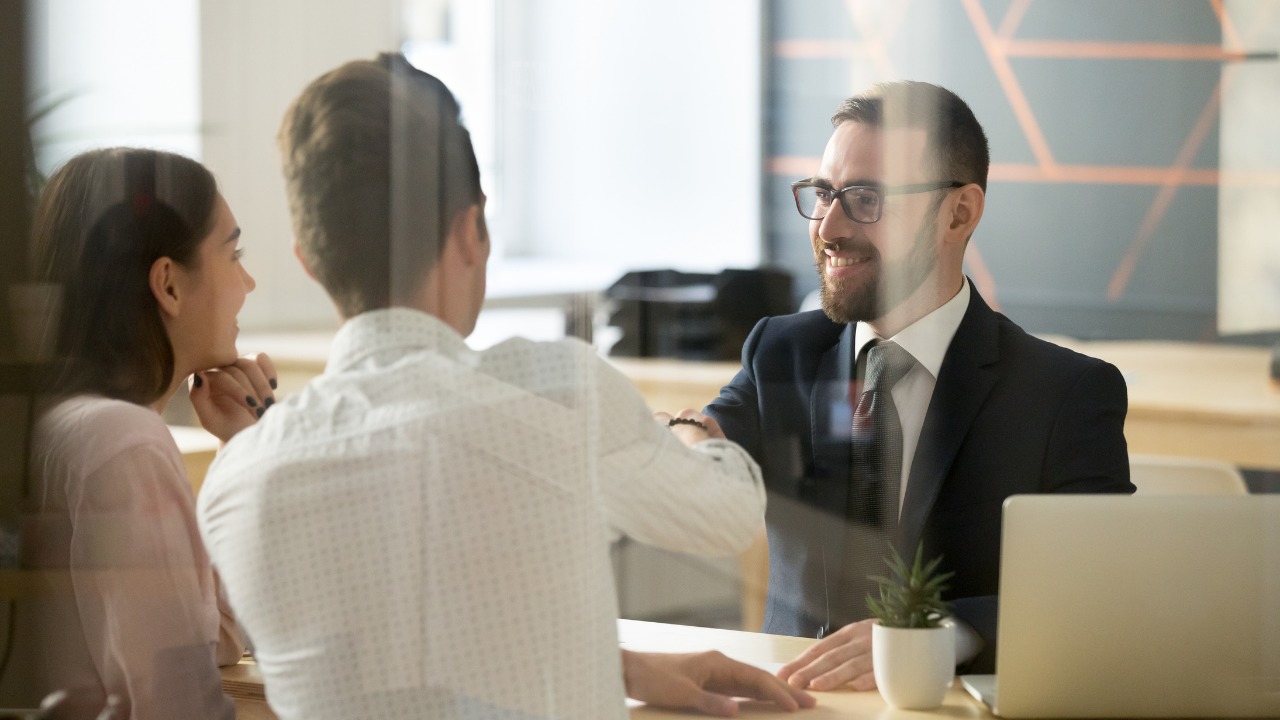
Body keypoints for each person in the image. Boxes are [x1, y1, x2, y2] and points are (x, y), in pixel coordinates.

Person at [196, 54, 814, 720]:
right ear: (471, 230)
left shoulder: (236, 483)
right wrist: (691, 433)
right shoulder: (556, 391)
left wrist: (620, 667)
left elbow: (397, 662)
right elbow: (728, 515)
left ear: (308, 261)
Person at [704, 81, 1133, 689]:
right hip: (792, 702)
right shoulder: (781, 352)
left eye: (866, 199)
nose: (827, 227)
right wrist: (685, 440)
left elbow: (1101, 590)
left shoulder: (1064, 394)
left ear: (959, 213)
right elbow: (712, 435)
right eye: (824, 193)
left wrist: (937, 633)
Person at [7, 148, 275, 718]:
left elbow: (214, 639)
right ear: (169, 285)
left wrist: (240, 449)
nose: (248, 283)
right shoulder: (124, 440)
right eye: (234, 255)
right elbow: (178, 701)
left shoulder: (65, 421)